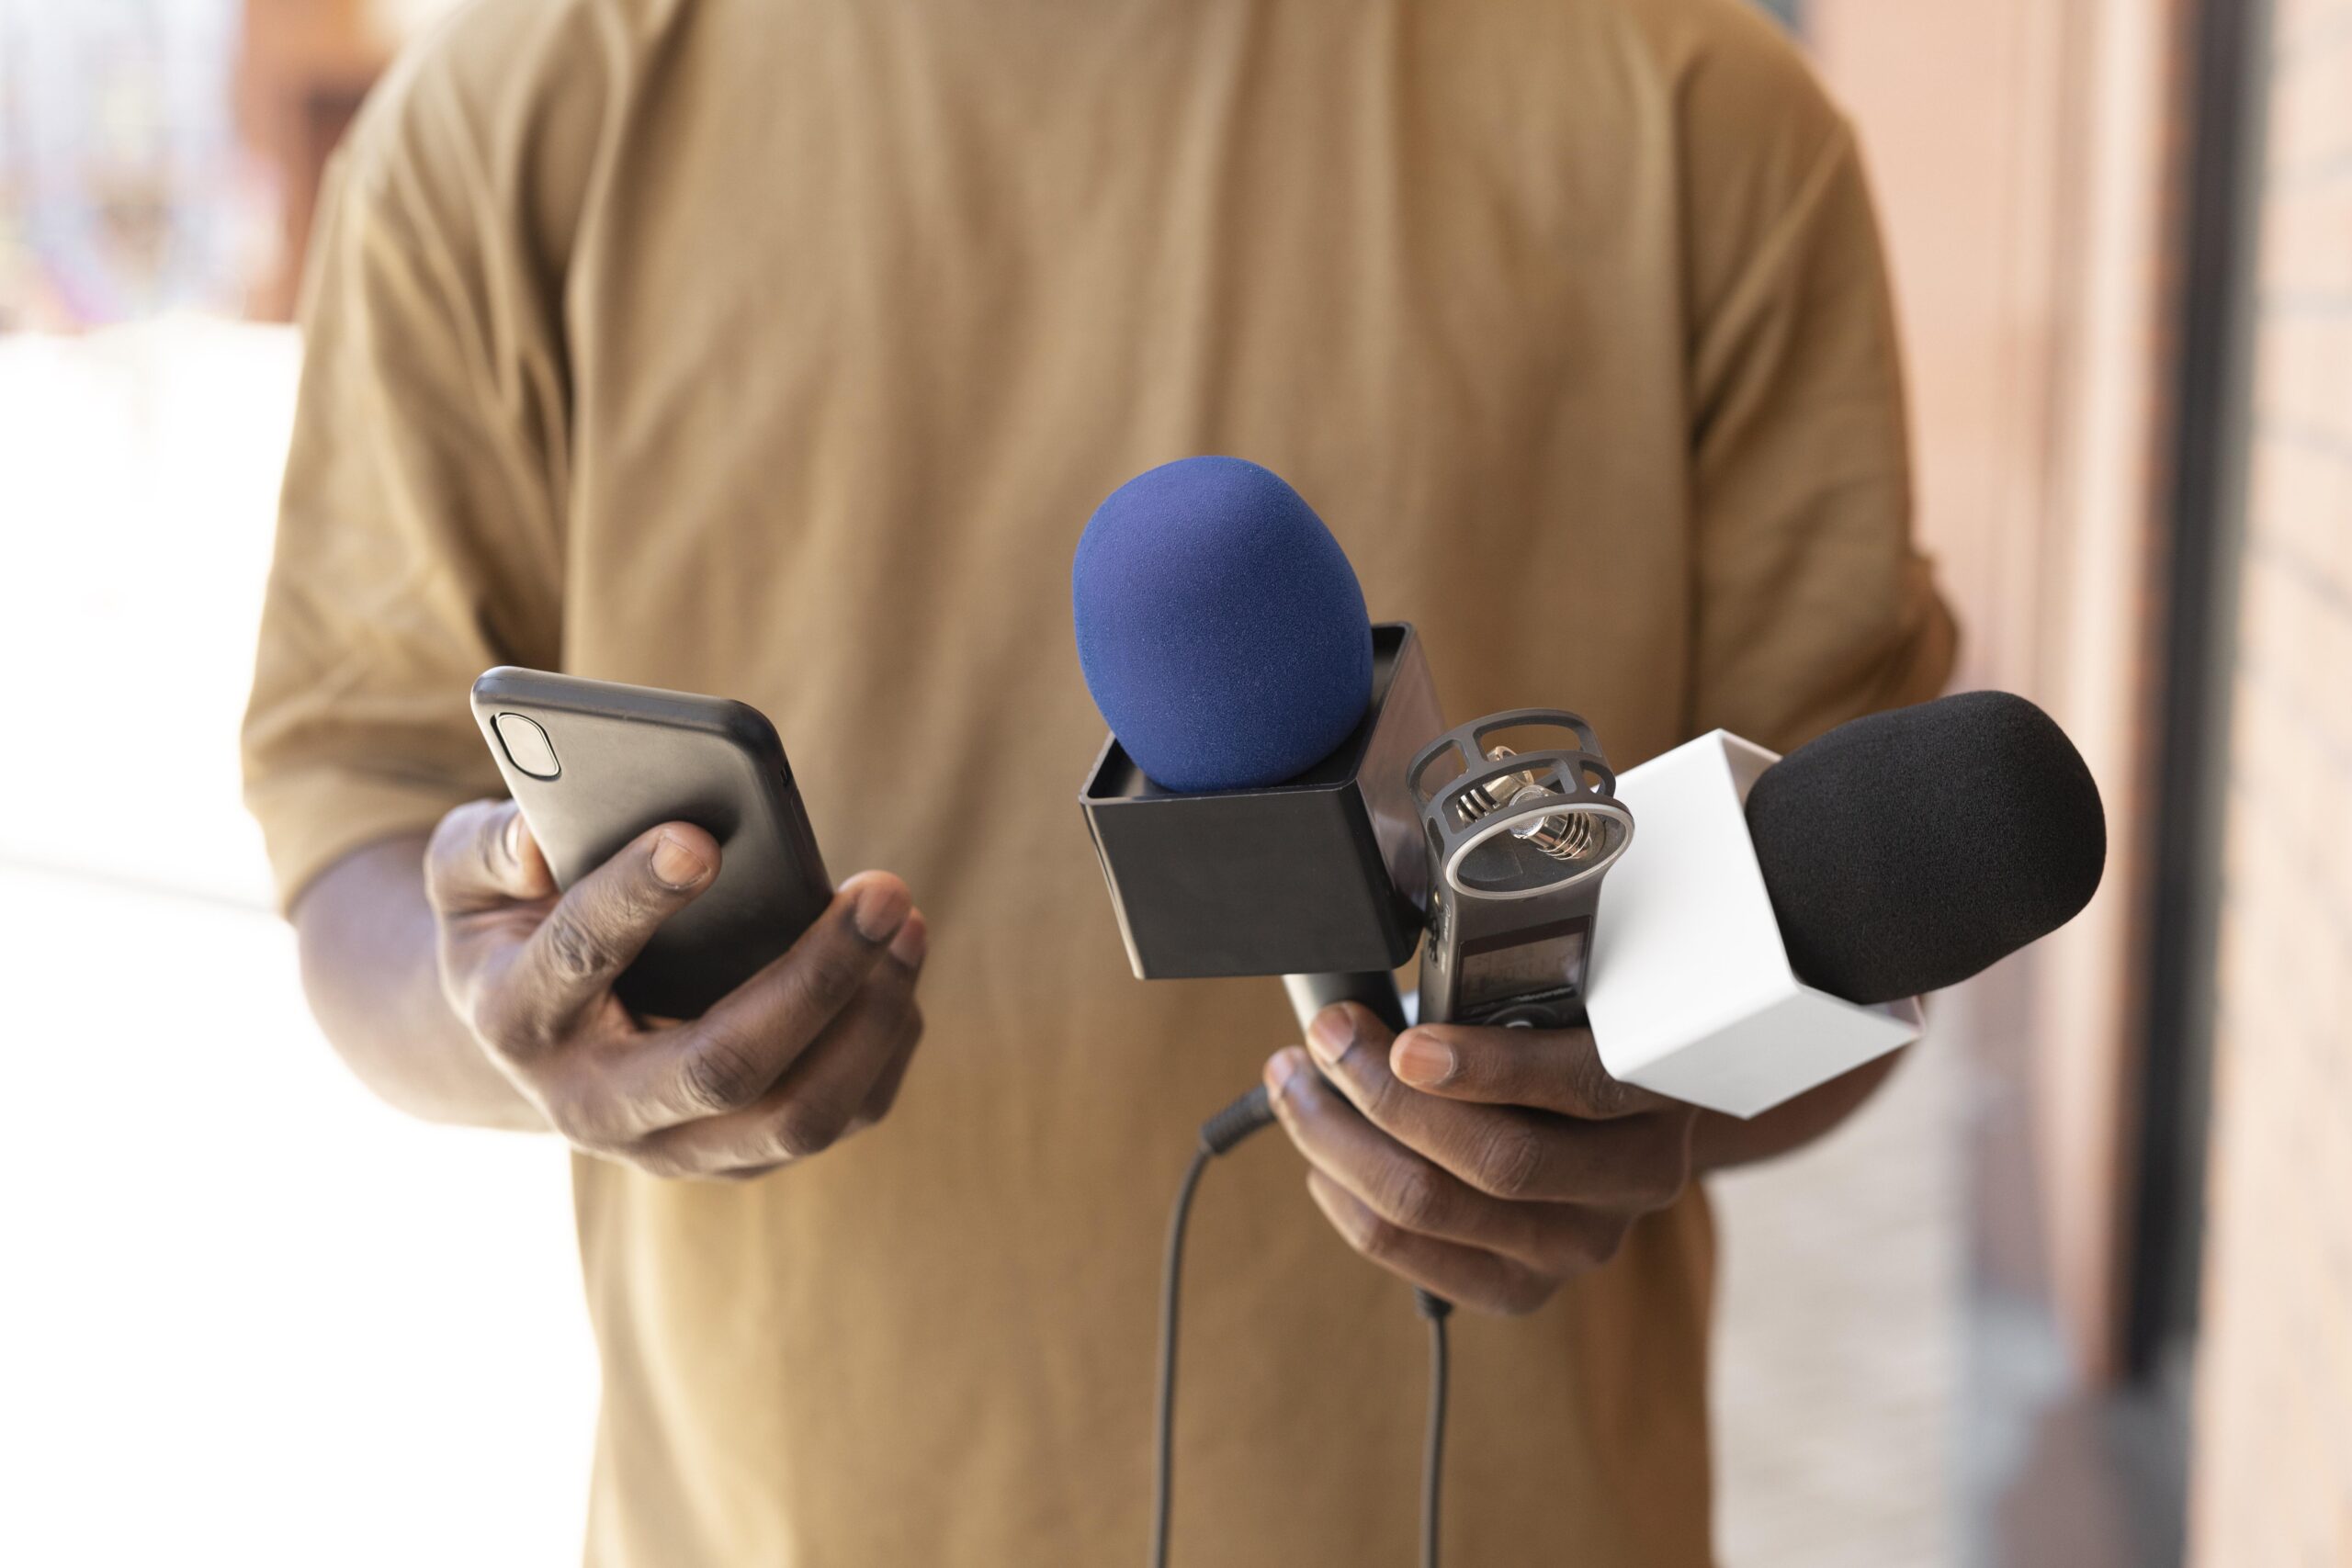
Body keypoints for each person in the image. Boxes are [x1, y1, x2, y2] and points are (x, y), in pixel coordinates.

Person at [242, 0, 1956, 1562]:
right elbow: (361, 831)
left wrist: (1646, 1102)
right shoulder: (507, 118)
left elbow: (1863, 901)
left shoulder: (1697, 108)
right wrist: (526, 1019)